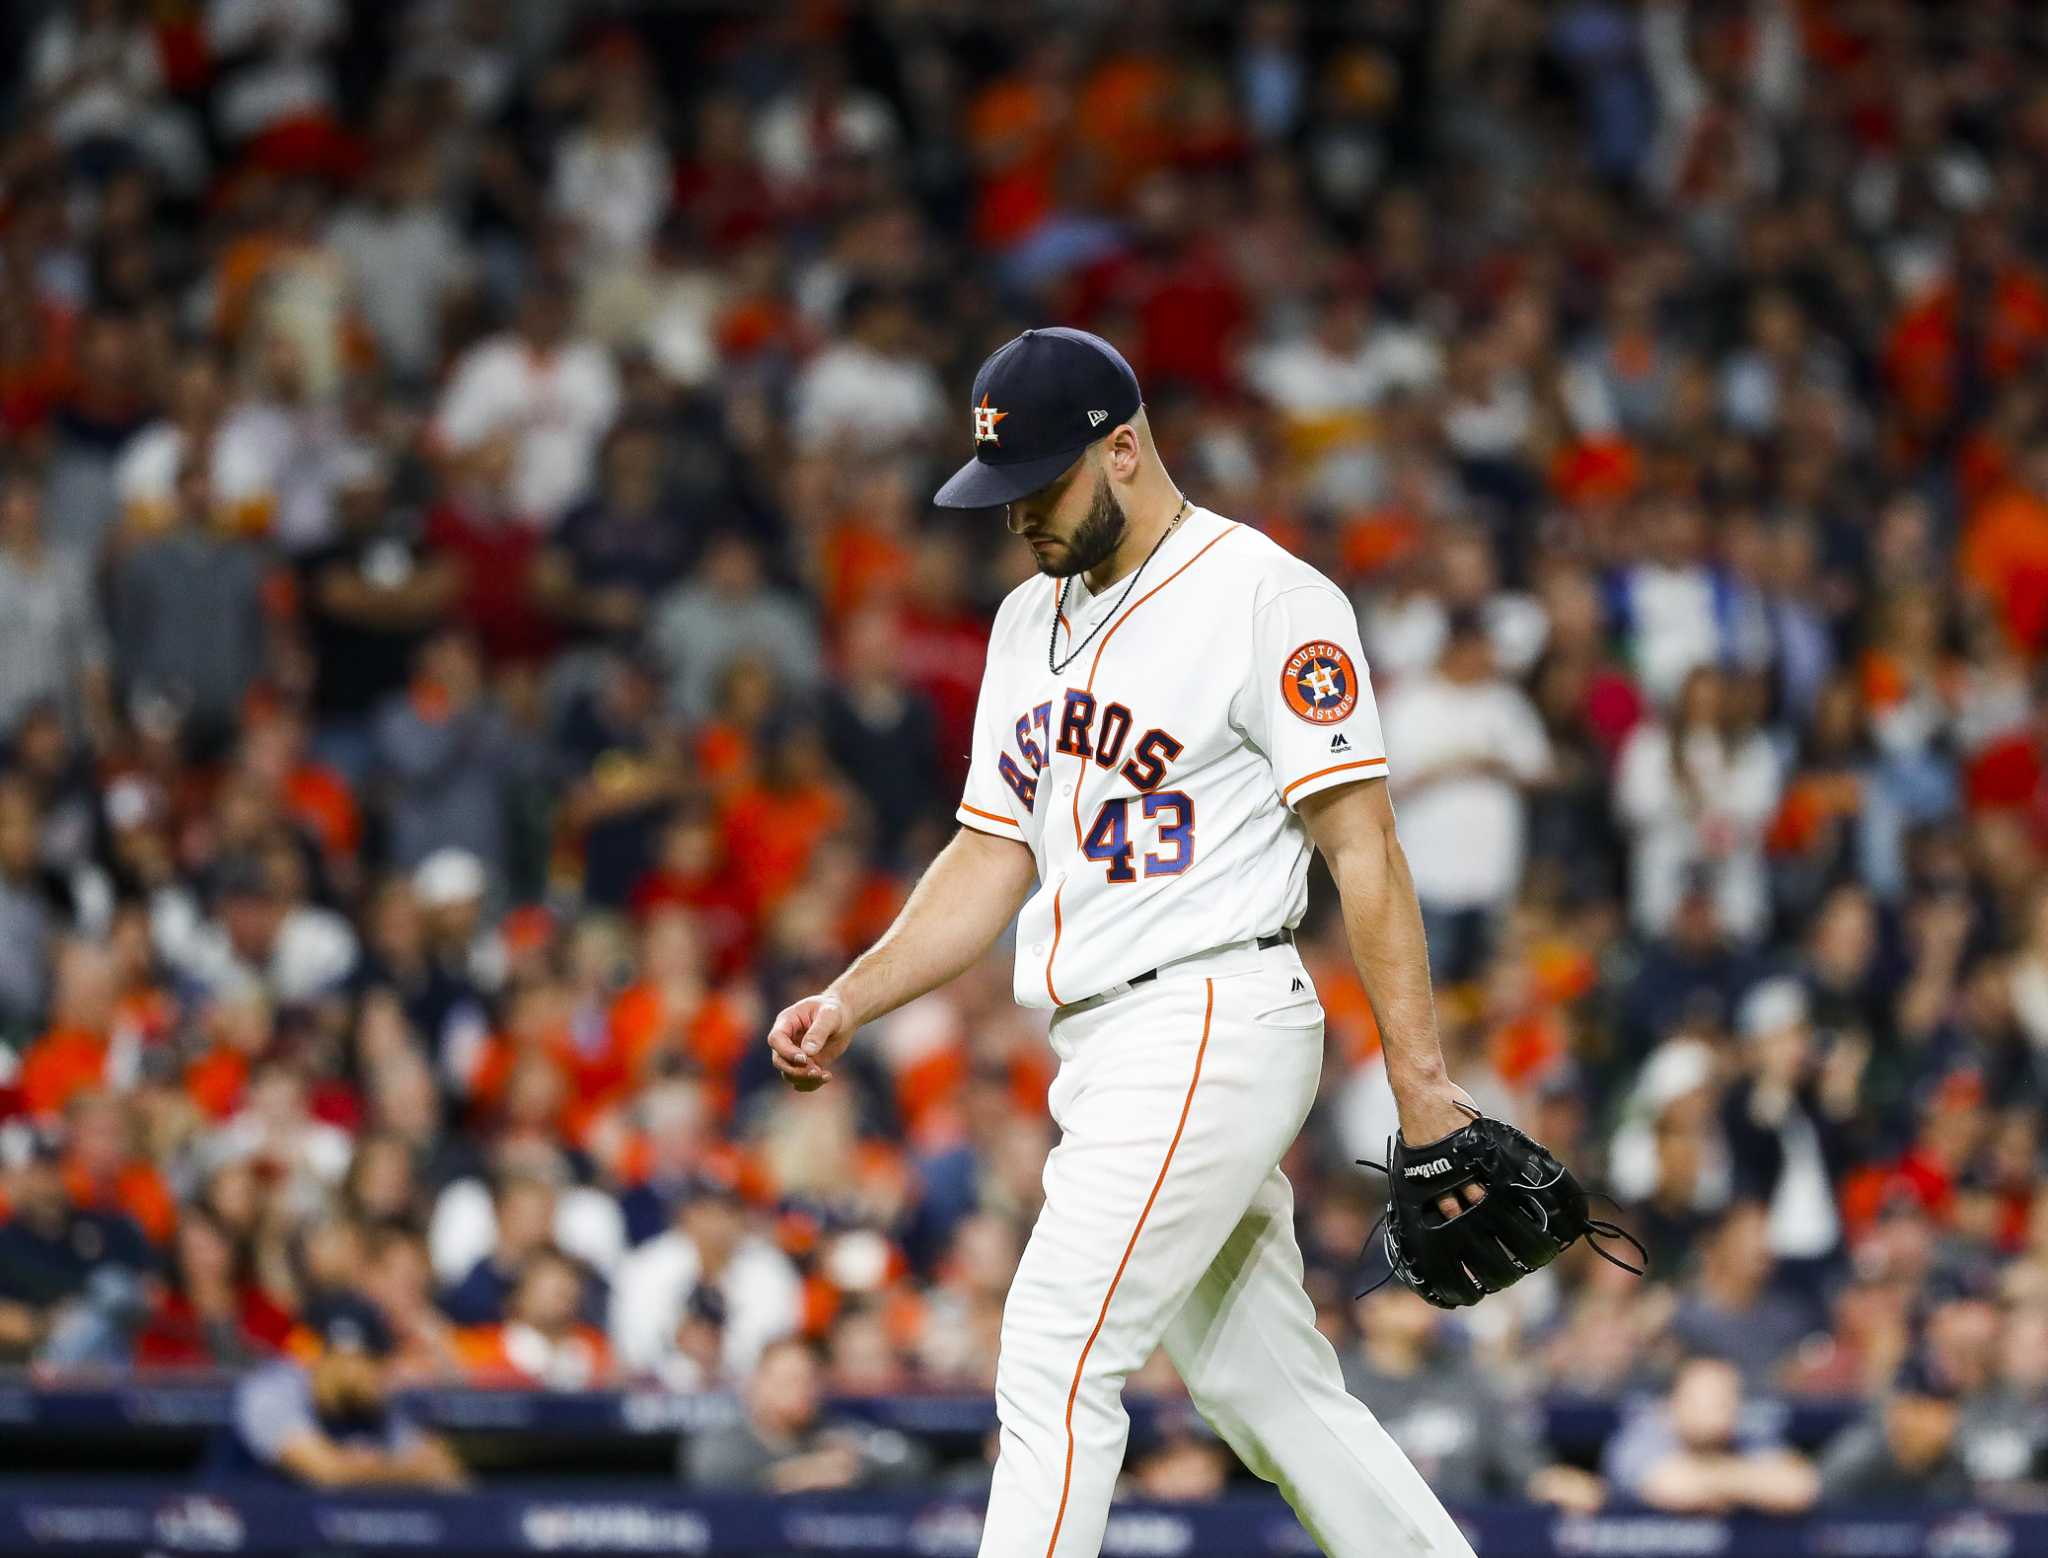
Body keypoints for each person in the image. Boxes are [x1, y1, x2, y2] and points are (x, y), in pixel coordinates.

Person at [766, 328, 1490, 1557]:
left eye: (1037, 487)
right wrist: (853, 993)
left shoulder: (1265, 597)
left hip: (1213, 1011)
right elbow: (993, 852)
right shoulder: (1020, 622)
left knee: (1053, 1350)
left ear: (1122, 449)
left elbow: (1362, 847)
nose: (1015, 520)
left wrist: (1420, 1088)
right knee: (1266, 1390)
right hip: (1104, 1041)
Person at [221, 1292, 466, 1488]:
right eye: (373, 1362)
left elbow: (445, 1473)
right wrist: (407, 1472)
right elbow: (327, 1473)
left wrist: (381, 1468)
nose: (383, 1376)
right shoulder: (272, 1388)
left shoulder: (372, 1408)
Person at [680, 1335, 926, 1492]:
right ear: (758, 1385)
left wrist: (858, 1463)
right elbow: (709, 1476)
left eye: (808, 1381)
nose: (801, 1390)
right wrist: (797, 1475)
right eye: (788, 1380)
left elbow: (911, 1461)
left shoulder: (833, 1432)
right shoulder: (725, 1443)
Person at [1602, 1353, 1819, 1514]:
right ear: (1673, 1403)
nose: (1719, 1411)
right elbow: (1674, 1488)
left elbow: (1800, 1488)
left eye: (1726, 1400)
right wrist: (1751, 1481)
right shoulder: (1641, 1437)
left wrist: (1711, 1480)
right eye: (1706, 1400)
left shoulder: (1747, 1436)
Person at [1817, 1352, 1975, 1501]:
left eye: (1941, 1410)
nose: (1930, 1423)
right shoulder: (1859, 1455)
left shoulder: (1955, 1464)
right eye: (1918, 1408)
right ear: (1894, 1410)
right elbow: (1818, 1500)